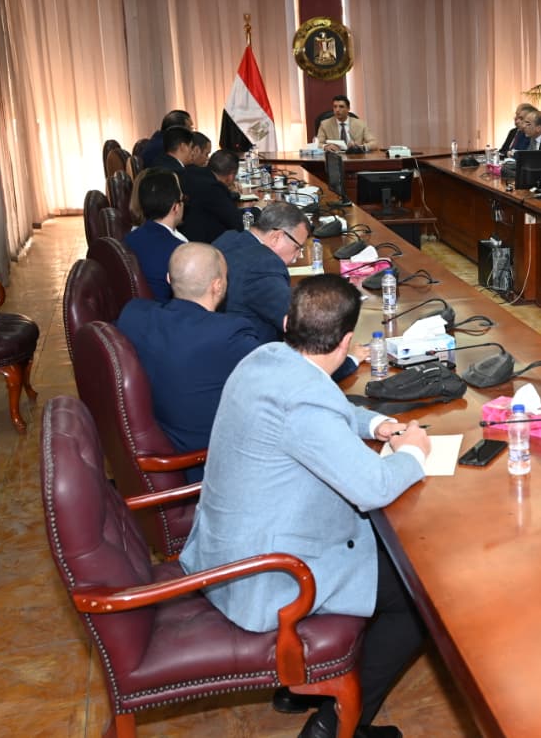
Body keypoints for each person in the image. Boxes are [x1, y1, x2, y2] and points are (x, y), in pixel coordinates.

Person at [179, 274, 430, 738]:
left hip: (227, 550)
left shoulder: (264, 359)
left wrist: (374, 424)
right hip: (268, 578)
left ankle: (304, 687)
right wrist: (414, 452)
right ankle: (335, 725)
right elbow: (373, 487)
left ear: (286, 323)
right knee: (419, 597)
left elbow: (326, 405)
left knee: (384, 553)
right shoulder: (304, 402)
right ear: (347, 341)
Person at [115, 243, 261, 480]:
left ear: (169, 279)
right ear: (218, 285)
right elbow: (278, 377)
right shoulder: (228, 334)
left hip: (159, 447)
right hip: (209, 465)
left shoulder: (133, 315)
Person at [213, 201, 310, 343]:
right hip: (253, 349)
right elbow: (298, 321)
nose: (298, 256)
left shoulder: (227, 239)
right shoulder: (265, 265)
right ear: (276, 237)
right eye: (297, 247)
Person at [123, 170, 187, 300]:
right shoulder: (179, 251)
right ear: (175, 207)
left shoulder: (128, 239)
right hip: (164, 310)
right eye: (182, 200)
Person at [180, 148, 243, 244]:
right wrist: (257, 208)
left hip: (184, 233)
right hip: (204, 243)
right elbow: (237, 224)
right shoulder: (214, 188)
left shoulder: (191, 171)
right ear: (231, 176)